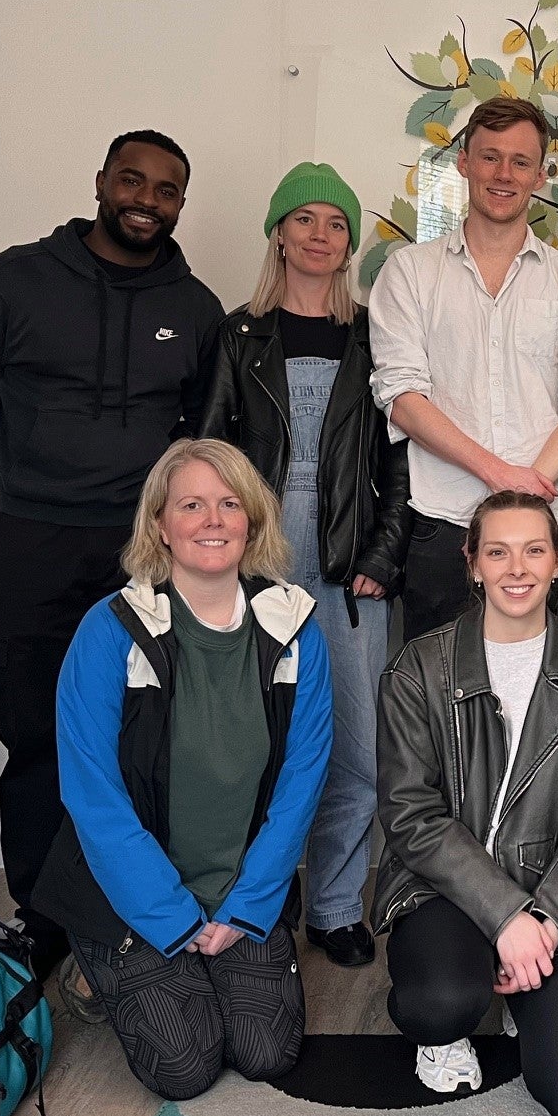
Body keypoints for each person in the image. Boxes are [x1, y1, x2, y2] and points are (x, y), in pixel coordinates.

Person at [0, 130, 224, 980]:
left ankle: (133, 899)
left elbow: (197, 434)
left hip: (143, 552)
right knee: (35, 731)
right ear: (101, 181)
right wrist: (24, 474)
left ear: (179, 205)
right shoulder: (10, 282)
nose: (146, 198)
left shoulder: (195, 309)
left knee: (145, 735)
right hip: (32, 542)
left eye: (167, 189)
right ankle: (43, 912)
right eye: (132, 179)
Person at [30, 439, 332, 1101]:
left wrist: (248, 908)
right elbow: (93, 795)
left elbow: (301, 783)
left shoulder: (294, 627)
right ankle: (91, 971)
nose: (213, 520)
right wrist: (170, 918)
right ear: (161, 525)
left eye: (230, 504)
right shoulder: (108, 631)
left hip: (238, 886)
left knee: (265, 1053)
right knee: (185, 1068)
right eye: (191, 505)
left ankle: (207, 965)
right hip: (130, 897)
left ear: (252, 521)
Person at [200, 162, 410, 970]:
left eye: (336, 224)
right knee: (255, 744)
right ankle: (257, 897)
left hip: (349, 566)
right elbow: (209, 452)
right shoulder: (238, 334)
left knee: (356, 748)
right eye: (305, 220)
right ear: (278, 233)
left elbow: (399, 462)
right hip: (255, 559)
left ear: (350, 242)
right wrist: (225, 559)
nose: (321, 236)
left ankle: (332, 906)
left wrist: (385, 554)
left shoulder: (374, 337)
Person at [373, 491, 558, 1116]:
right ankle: (456, 1003)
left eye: (534, 550)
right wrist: (505, 916)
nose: (517, 568)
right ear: (473, 563)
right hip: (442, 886)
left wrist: (544, 922)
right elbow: (411, 812)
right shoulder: (418, 668)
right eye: (498, 551)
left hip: (550, 889)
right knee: (442, 1003)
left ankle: (521, 986)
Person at [368, 98, 558, 640]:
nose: (504, 174)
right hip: (444, 524)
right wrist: (500, 477)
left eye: (521, 161)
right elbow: (403, 396)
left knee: (551, 697)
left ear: (541, 173)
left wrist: (525, 498)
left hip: (551, 530)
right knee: (440, 699)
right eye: (490, 157)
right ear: (463, 162)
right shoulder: (409, 273)